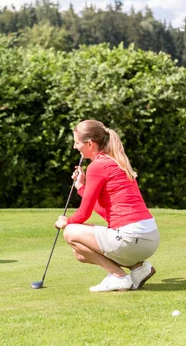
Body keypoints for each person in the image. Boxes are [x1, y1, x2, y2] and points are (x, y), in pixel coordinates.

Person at [54, 120, 160, 292]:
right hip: (150, 238)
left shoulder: (97, 166)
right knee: (80, 253)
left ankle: (119, 277)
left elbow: (83, 214)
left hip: (132, 238)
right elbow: (107, 212)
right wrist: (81, 187)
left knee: (71, 232)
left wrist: (66, 222)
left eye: (77, 142)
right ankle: (138, 269)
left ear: (89, 144)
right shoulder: (116, 162)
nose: (75, 147)